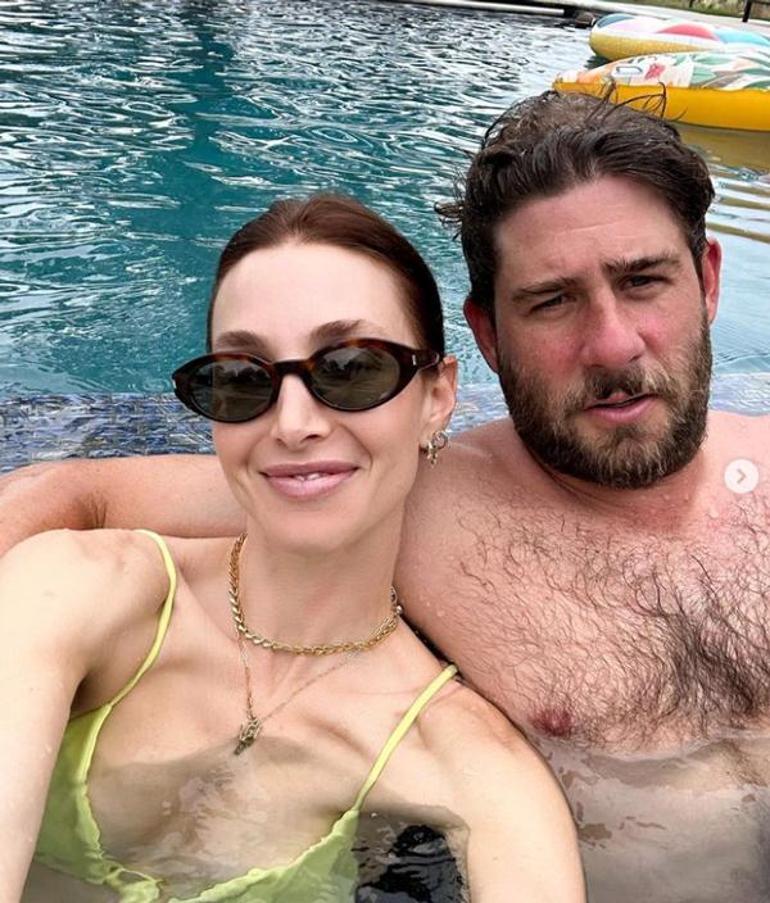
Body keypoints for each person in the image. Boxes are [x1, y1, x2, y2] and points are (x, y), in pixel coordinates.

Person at [2, 90, 767, 901]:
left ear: (707, 282)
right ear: (487, 336)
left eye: (643, 280)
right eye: (552, 300)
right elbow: (79, 493)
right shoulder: (419, 495)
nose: (612, 343)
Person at [0, 194, 584, 902]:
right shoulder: (75, 589)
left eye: (352, 368)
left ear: (436, 398)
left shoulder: (470, 764)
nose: (293, 423)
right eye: (242, 378)